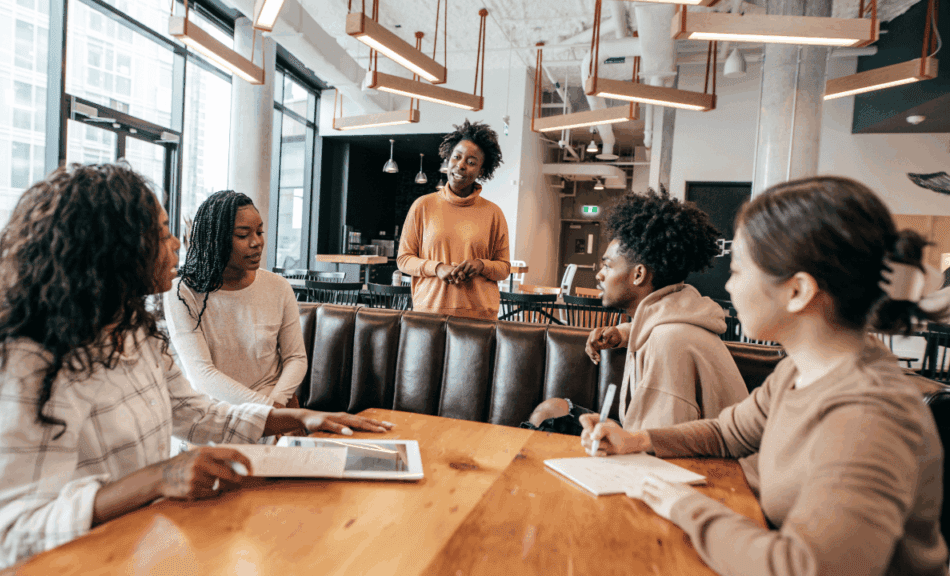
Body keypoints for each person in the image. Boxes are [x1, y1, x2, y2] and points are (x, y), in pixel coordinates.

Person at [0, 164, 392, 576]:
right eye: (163, 232)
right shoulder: (23, 364)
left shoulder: (135, 332)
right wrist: (157, 477)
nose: (175, 245)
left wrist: (300, 418)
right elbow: (7, 532)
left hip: (121, 547)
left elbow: (196, 413)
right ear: (113, 249)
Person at [582, 176, 948, 576]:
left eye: (738, 269)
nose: (728, 284)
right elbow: (727, 432)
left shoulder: (869, 416)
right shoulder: (797, 370)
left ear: (797, 291)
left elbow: (805, 569)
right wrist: (639, 440)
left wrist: (684, 506)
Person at [527, 191, 747, 434]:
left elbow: (659, 450)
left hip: (688, 464)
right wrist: (621, 333)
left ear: (639, 275)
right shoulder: (676, 318)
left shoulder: (669, 343)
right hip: (649, 440)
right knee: (552, 409)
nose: (600, 275)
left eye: (608, 266)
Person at [165, 190, 305, 409]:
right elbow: (202, 375)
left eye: (260, 232)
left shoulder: (279, 287)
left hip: (278, 405)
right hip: (218, 413)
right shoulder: (183, 293)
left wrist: (276, 405)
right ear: (215, 239)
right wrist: (267, 412)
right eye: (243, 235)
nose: (256, 242)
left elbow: (296, 358)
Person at [397, 120, 511, 321]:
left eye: (471, 162)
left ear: (481, 171)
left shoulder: (494, 213)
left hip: (479, 316)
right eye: (456, 157)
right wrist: (438, 268)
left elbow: (504, 268)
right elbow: (404, 259)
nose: (461, 165)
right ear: (448, 159)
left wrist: (481, 265)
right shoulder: (423, 206)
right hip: (429, 313)